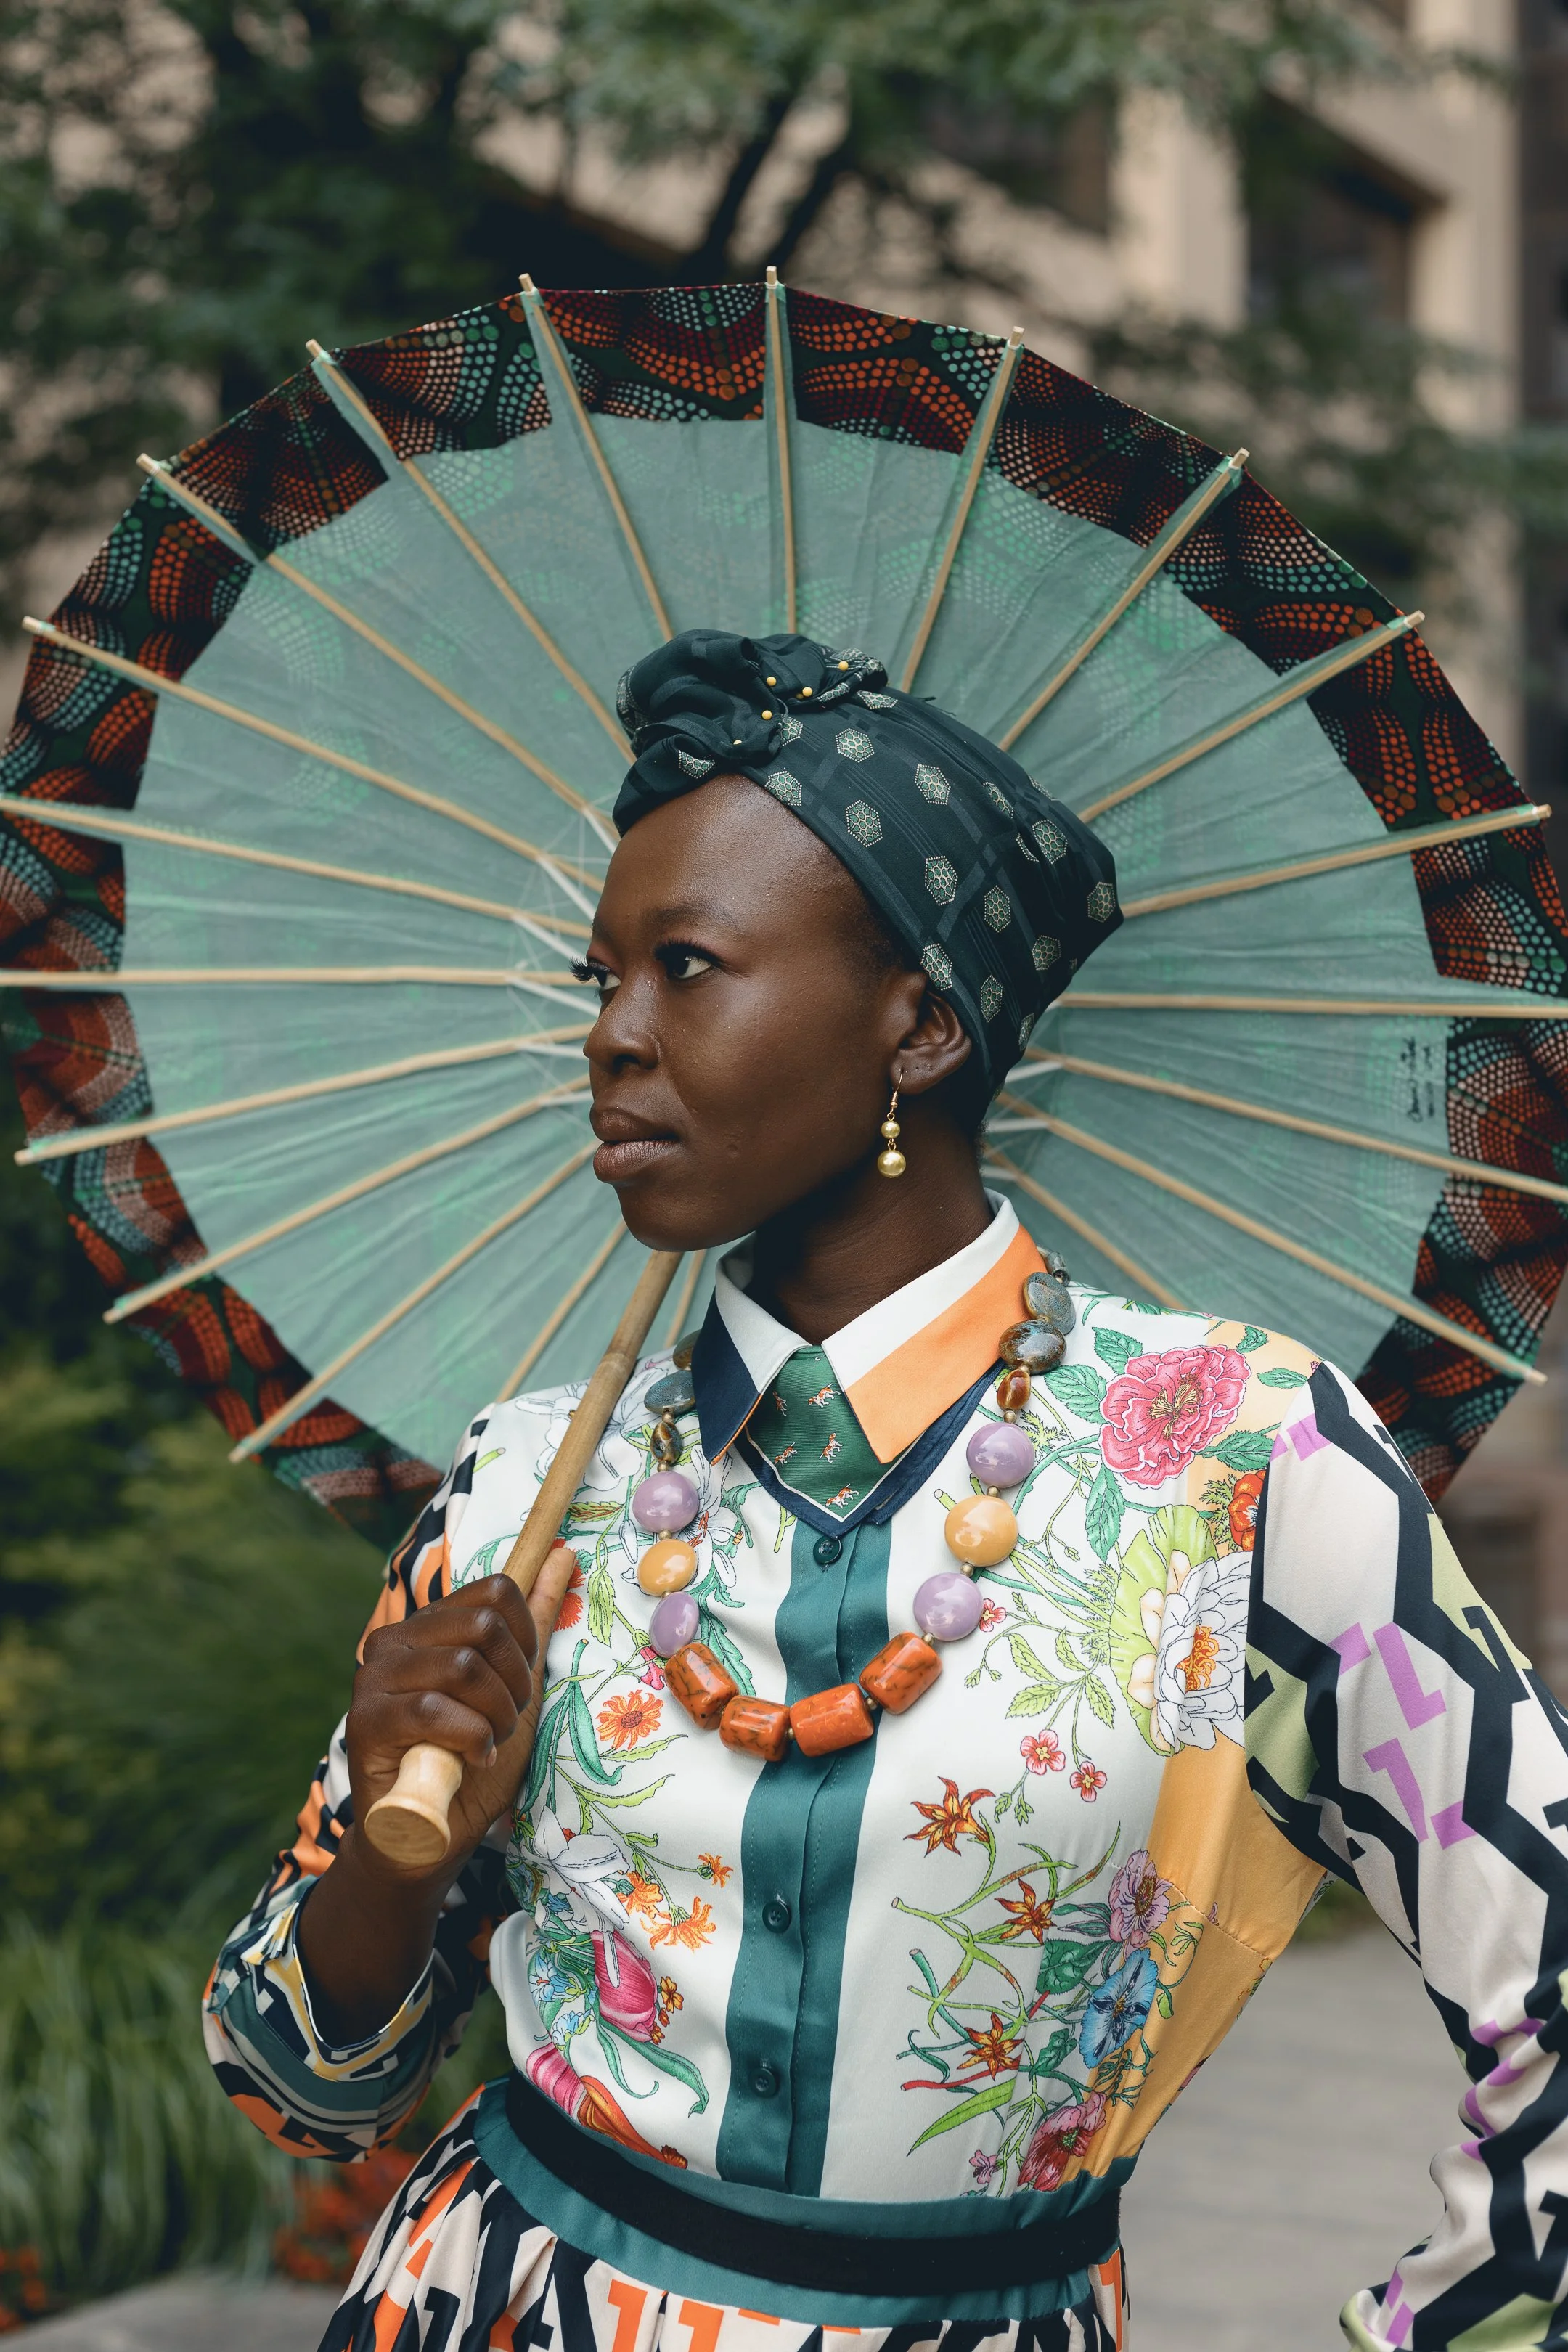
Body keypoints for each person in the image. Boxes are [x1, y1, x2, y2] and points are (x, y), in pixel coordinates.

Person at [205, 631, 1568, 2352]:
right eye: (599, 977)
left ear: (916, 1025)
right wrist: (394, 1871)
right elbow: (292, 2086)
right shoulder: (530, 1494)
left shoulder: (1249, 1475)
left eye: (686, 968)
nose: (613, 1037)